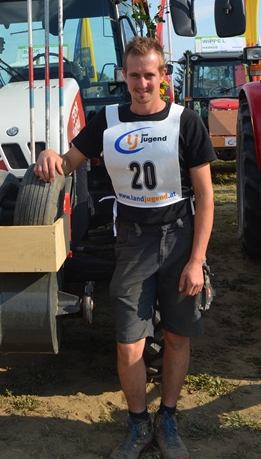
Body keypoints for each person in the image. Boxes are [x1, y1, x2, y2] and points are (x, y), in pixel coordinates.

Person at [34, 36, 215, 459]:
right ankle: (138, 425)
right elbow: (68, 163)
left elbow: (207, 197)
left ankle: (167, 418)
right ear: (124, 76)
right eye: (134, 75)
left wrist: (197, 260)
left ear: (162, 76)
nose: (141, 83)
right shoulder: (108, 120)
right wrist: (48, 155)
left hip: (179, 236)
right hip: (133, 241)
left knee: (176, 336)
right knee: (129, 343)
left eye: (149, 75)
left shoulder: (186, 122)